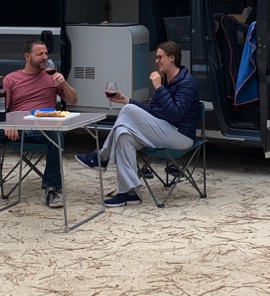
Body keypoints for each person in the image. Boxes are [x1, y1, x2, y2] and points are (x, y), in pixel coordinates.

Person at [76, 41, 200, 207]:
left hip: (180, 135)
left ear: (172, 58)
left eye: (160, 57)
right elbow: (151, 111)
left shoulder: (187, 83)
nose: (156, 61)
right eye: (156, 57)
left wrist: (159, 88)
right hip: (163, 130)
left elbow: (175, 115)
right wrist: (126, 100)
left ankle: (102, 156)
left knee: (128, 110)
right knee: (123, 135)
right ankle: (130, 193)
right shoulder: (166, 81)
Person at [0, 39, 78, 209]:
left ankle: (52, 188)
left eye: (46, 53)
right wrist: (8, 125)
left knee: (57, 133)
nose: (45, 57)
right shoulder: (12, 79)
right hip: (17, 129)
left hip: (43, 129)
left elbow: (74, 100)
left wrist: (64, 84)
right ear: (27, 56)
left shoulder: (52, 77)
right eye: (40, 54)